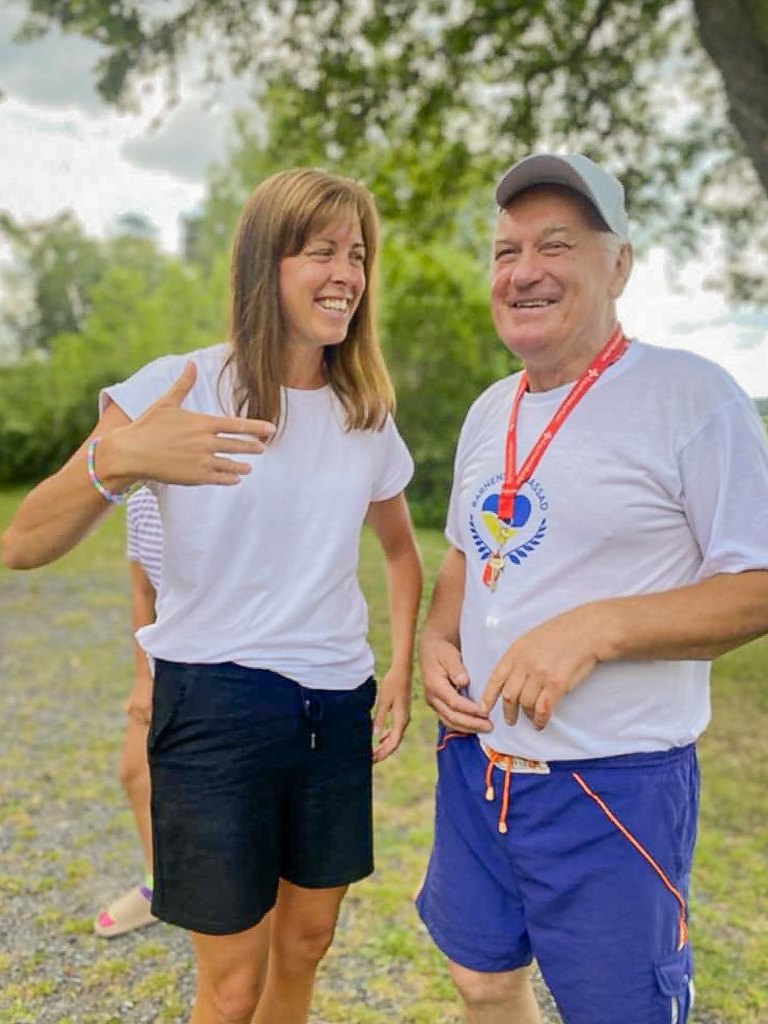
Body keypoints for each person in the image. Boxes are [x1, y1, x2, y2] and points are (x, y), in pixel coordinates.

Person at [2, 167, 423, 1024]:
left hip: (336, 706)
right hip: (216, 707)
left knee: (304, 951)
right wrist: (118, 460)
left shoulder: (365, 411)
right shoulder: (181, 383)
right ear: (264, 263)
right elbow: (24, 542)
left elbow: (403, 553)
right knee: (231, 986)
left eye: (358, 254)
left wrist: (402, 674)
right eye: (321, 252)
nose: (346, 272)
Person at [415, 153, 768, 1024]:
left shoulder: (692, 397)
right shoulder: (489, 408)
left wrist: (599, 628)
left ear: (620, 264)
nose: (524, 270)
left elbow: (758, 584)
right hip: (477, 767)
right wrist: (434, 639)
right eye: (505, 251)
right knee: (480, 978)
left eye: (556, 246)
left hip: (612, 784)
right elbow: (466, 554)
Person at [94, 485, 162, 938]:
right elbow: (142, 590)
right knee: (135, 773)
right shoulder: (140, 502)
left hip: (225, 666)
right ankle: (162, 887)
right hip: (166, 661)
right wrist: (144, 677)